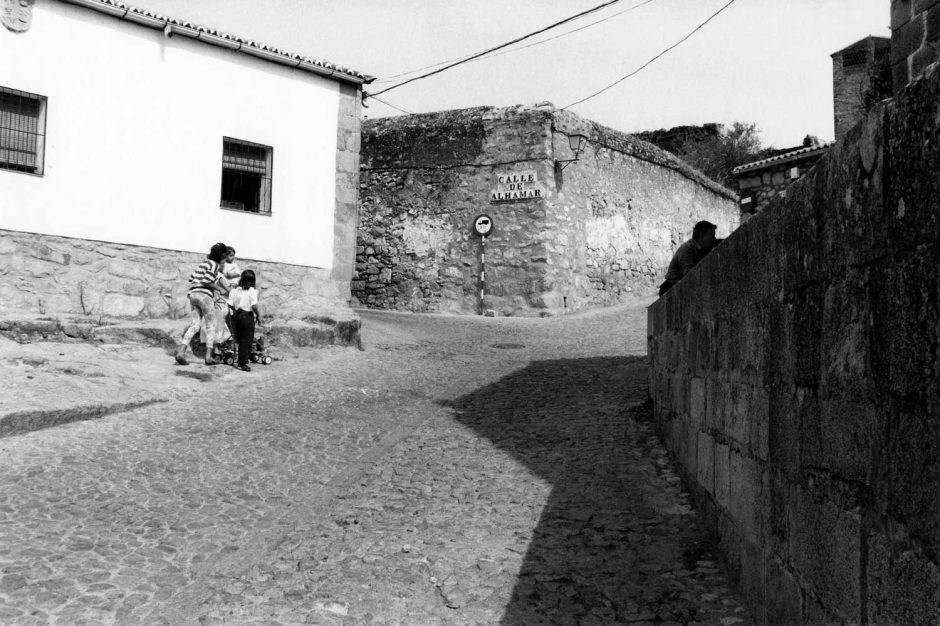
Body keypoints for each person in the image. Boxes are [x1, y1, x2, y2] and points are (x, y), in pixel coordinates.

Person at [176, 242, 227, 366]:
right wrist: (218, 288)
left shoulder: (203, 263)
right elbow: (206, 281)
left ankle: (181, 352)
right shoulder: (214, 265)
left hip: (193, 295)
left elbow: (192, 278)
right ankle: (208, 357)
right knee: (211, 325)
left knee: (195, 325)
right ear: (221, 255)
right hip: (204, 296)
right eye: (224, 256)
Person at [659, 221, 718, 296]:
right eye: (712, 236)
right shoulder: (687, 249)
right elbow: (689, 276)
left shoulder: (702, 248)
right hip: (671, 289)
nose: (714, 239)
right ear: (702, 236)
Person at [227, 269, 262, 372]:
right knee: (246, 341)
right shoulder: (253, 291)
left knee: (240, 339)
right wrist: (258, 316)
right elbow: (254, 306)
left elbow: (230, 304)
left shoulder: (234, 291)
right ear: (252, 281)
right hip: (247, 316)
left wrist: (236, 313)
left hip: (238, 315)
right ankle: (242, 363)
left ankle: (242, 358)